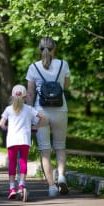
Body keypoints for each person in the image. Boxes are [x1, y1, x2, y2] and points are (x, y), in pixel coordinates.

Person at [26, 37, 71, 197]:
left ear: (40, 49)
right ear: (54, 48)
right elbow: (66, 86)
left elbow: (30, 93)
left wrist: (30, 114)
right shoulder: (63, 64)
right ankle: (62, 177)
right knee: (60, 146)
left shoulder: (33, 67)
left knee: (45, 150)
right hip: (60, 109)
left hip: (41, 111)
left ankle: (52, 187)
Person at [0, 84, 46, 199]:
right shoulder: (29, 109)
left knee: (12, 163)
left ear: (12, 97)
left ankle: (12, 188)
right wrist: (36, 127)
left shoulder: (8, 109)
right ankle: (21, 186)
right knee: (23, 162)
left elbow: (1, 123)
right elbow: (42, 117)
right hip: (24, 140)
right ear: (25, 97)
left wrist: (6, 128)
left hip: (12, 140)